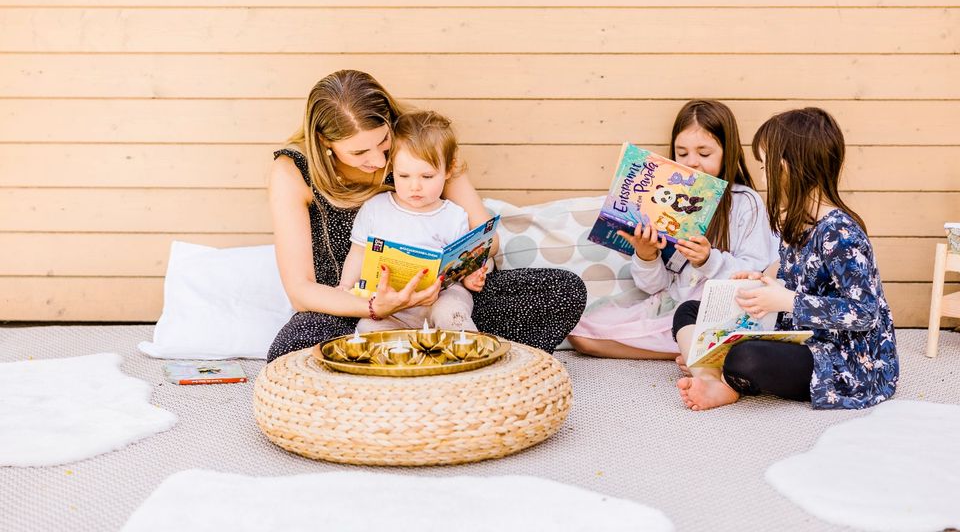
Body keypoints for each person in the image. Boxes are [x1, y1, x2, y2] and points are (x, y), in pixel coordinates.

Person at [266, 70, 586, 362]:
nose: (379, 161)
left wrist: (471, 266)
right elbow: (300, 291)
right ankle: (442, 355)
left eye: (383, 142)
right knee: (291, 351)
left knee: (563, 291)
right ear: (325, 142)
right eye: (360, 152)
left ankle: (434, 352)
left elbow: (484, 235)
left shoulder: (422, 142)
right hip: (351, 308)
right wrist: (375, 306)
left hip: (443, 296)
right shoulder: (292, 171)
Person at [674, 107, 899, 410]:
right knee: (688, 312)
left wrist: (787, 301)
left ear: (785, 169)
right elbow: (792, 271)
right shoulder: (796, 222)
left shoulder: (840, 233)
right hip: (798, 330)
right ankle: (711, 376)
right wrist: (763, 279)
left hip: (845, 359)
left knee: (747, 356)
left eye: (765, 166)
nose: (764, 176)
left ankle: (722, 378)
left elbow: (864, 311)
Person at [568, 100, 779, 360]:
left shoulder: (745, 202)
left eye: (704, 154)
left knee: (592, 338)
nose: (692, 163)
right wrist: (647, 255)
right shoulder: (665, 201)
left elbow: (756, 272)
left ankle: (691, 345)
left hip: (717, 311)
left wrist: (708, 260)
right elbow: (655, 286)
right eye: (682, 153)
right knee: (580, 335)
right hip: (671, 306)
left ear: (728, 152)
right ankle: (688, 348)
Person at [338, 110, 482, 333]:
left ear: (448, 170)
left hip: (439, 298)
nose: (415, 186)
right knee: (367, 328)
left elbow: (463, 261)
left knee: (451, 314)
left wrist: (471, 276)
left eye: (427, 177)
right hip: (392, 304)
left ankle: (468, 356)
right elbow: (358, 252)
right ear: (392, 168)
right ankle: (395, 364)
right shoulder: (376, 208)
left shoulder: (454, 216)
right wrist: (345, 287)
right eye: (404, 176)